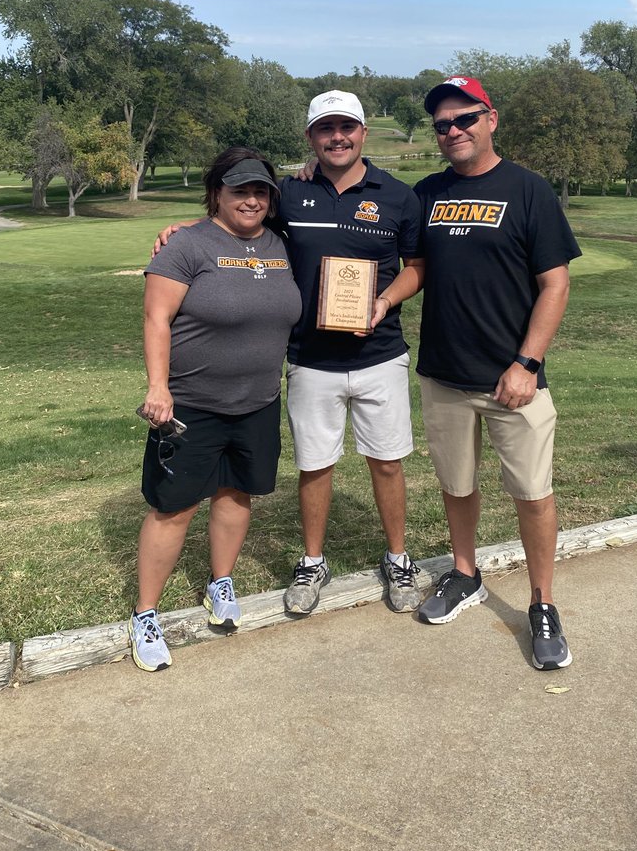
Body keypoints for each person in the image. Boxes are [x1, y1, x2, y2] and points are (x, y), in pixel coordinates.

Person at [155, 91, 425, 615]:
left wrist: (386, 299)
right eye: (326, 129)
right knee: (315, 465)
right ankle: (312, 559)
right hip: (308, 357)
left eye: (347, 126)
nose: (337, 136)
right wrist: (181, 231)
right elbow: (237, 220)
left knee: (387, 463)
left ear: (363, 132)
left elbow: (415, 266)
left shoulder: (397, 196)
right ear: (311, 138)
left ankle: (397, 556)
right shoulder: (288, 193)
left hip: (380, 354)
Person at [413, 75, 581, 671]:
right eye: (442, 124)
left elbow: (554, 284)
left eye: (465, 119)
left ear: (491, 120)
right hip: (443, 375)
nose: (453, 131)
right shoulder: (427, 192)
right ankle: (465, 574)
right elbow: (391, 241)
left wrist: (526, 363)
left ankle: (541, 603)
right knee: (457, 486)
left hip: (515, 381)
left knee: (532, 495)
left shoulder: (529, 190)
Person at [129, 148, 302, 673]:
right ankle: (145, 614)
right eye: (238, 191)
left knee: (236, 492)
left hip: (258, 401)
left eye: (260, 191)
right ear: (217, 194)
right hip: (192, 404)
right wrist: (158, 386)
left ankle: (219, 582)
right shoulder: (186, 246)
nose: (251, 199)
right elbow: (157, 319)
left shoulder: (282, 244)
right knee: (174, 506)